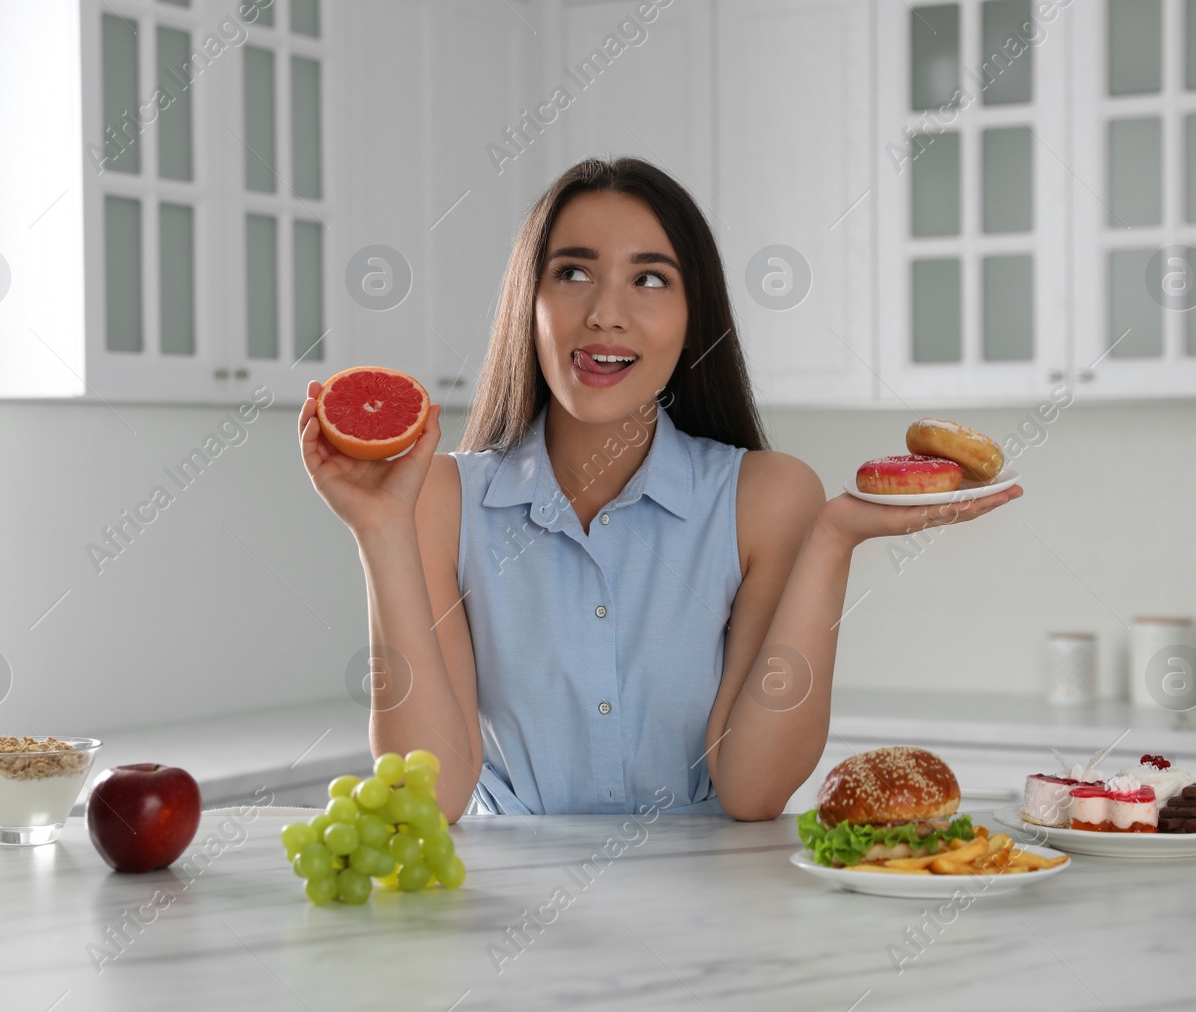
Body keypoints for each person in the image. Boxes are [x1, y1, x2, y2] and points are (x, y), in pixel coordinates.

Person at [298, 157, 1022, 822]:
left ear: (691, 319)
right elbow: (428, 794)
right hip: (505, 919)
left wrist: (833, 540)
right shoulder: (441, 499)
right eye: (573, 273)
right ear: (530, 302)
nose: (606, 312)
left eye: (649, 279)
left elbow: (751, 789)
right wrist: (381, 532)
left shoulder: (766, 499)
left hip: (714, 914)